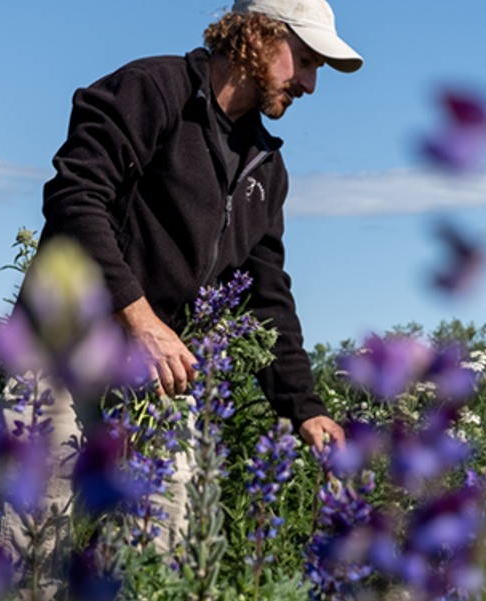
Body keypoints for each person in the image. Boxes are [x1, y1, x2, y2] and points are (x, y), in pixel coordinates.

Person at [39, 0, 360, 453]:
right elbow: (75, 200)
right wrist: (141, 321)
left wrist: (305, 408)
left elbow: (264, 293)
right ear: (256, 34)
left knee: (168, 524)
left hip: (159, 383)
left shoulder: (265, 166)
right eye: (304, 60)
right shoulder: (152, 90)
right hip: (66, 356)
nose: (309, 83)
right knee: (41, 523)